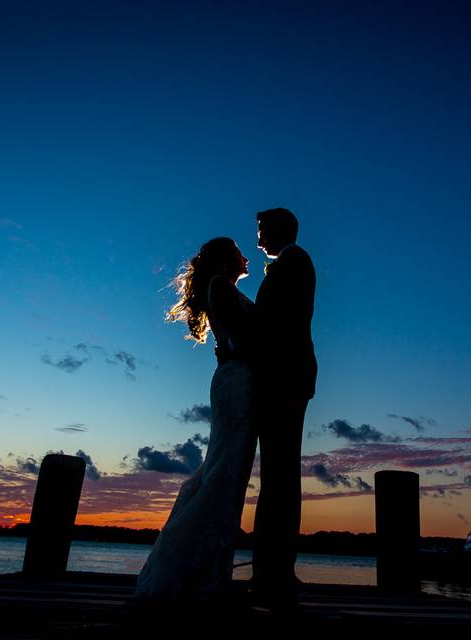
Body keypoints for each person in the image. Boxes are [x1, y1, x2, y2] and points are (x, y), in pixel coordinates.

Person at [131, 237, 259, 609]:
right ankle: (191, 575)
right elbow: (242, 340)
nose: (246, 256)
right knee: (223, 474)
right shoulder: (220, 286)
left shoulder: (221, 287)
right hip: (237, 381)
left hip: (237, 378)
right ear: (225, 260)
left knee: (225, 474)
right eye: (238, 251)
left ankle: (209, 575)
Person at [249, 207, 317, 610]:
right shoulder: (289, 263)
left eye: (261, 232)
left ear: (278, 230)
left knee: (280, 475)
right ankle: (272, 569)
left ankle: (274, 571)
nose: (258, 241)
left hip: (285, 378)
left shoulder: (294, 261)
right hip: (285, 377)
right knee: (278, 475)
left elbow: (276, 324)